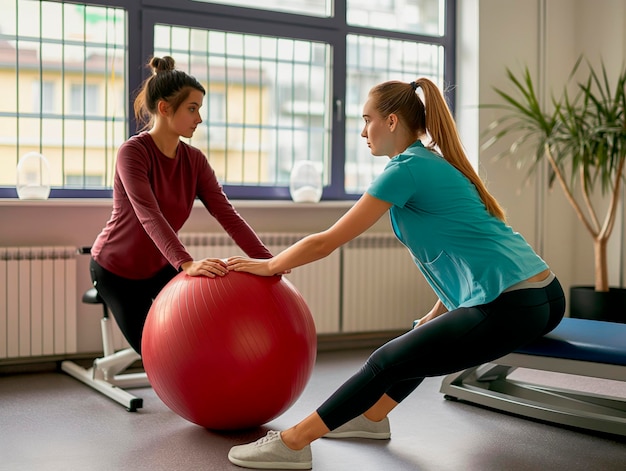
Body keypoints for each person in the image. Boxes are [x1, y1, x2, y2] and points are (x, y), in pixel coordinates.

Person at [225, 78, 566, 469]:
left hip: (512, 304)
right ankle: (371, 419)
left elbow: (327, 241)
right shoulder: (435, 162)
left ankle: (293, 443)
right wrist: (435, 317)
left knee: (385, 361)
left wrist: (269, 265)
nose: (361, 131)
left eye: (367, 120)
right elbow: (464, 254)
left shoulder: (405, 170)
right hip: (546, 294)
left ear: (390, 122)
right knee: (420, 341)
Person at [89, 56, 272, 354]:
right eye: (192, 109)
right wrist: (187, 263)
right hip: (116, 270)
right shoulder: (133, 152)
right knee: (157, 350)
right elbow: (149, 215)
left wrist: (268, 261)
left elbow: (227, 214)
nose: (199, 118)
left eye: (199, 109)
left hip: (160, 266)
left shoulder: (194, 161)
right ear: (164, 108)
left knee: (197, 335)